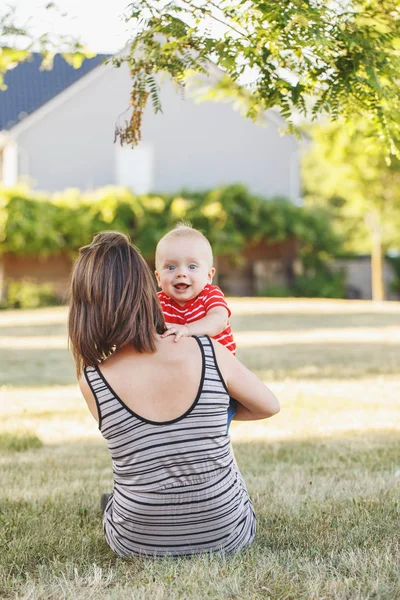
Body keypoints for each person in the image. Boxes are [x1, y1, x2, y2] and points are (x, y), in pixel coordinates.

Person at [68, 231, 280, 558]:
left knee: (121, 491)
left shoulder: (91, 380)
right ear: (147, 287)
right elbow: (269, 406)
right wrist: (210, 415)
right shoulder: (206, 350)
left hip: (133, 543)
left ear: (81, 309)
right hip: (228, 533)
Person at [155, 223, 237, 427]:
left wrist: (188, 329)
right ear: (158, 277)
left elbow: (218, 320)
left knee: (213, 432)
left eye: (192, 266)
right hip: (177, 382)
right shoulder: (156, 303)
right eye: (170, 267)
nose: (181, 273)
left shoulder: (210, 295)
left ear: (209, 275)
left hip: (216, 379)